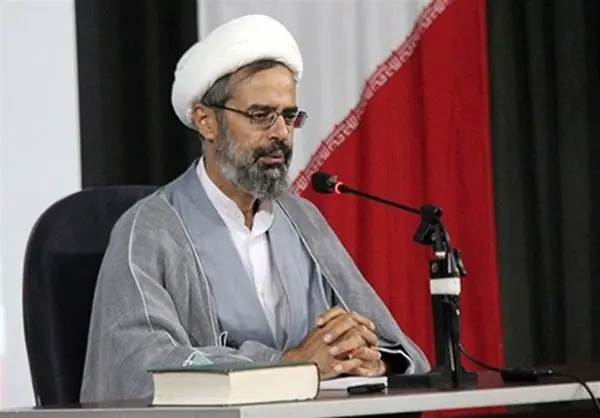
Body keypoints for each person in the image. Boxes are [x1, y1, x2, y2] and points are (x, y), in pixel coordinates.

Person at [80, 14, 430, 403]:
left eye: (289, 116)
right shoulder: (148, 230)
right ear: (206, 122)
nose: (281, 133)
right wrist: (288, 365)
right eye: (261, 116)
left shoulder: (303, 220)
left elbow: (387, 343)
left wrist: (367, 358)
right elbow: (141, 367)